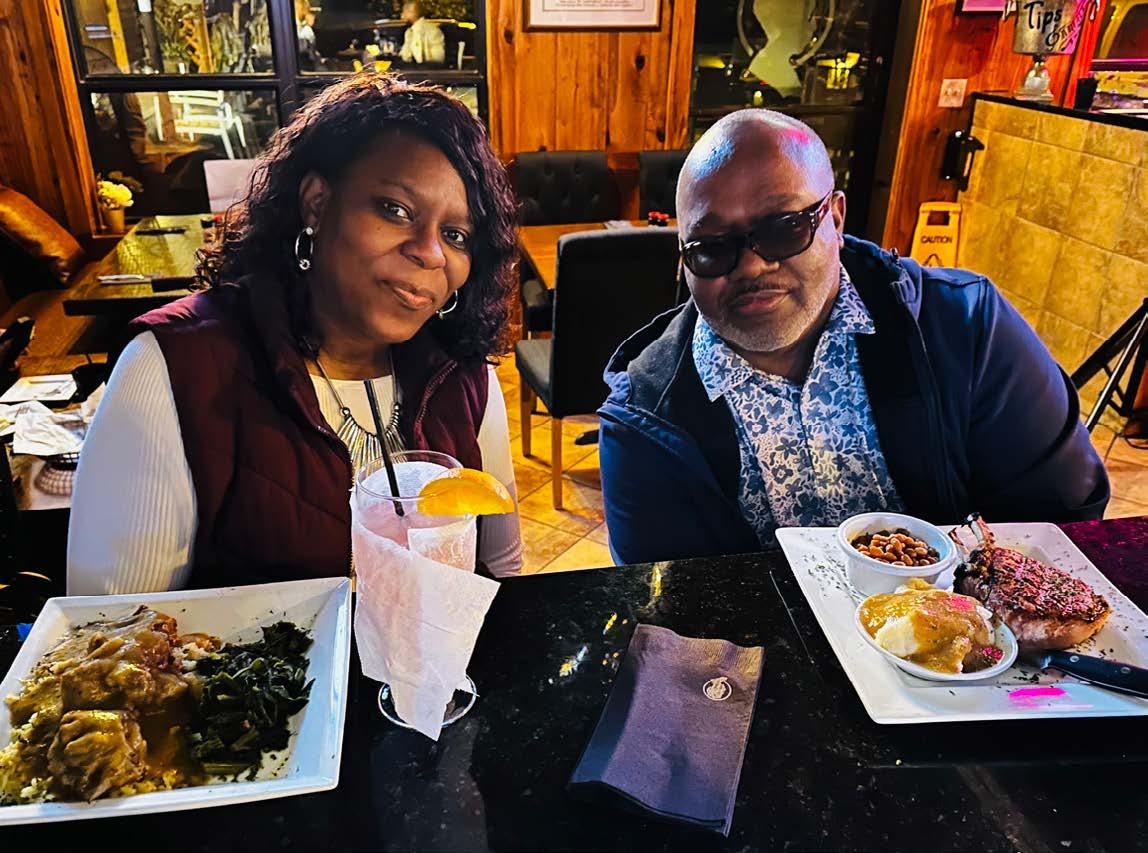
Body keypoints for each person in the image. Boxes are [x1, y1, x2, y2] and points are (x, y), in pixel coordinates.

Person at [68, 74, 523, 593]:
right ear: (317, 202)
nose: (430, 252)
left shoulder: (463, 372)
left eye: (456, 235)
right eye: (395, 209)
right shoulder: (172, 366)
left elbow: (502, 571)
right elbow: (110, 623)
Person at [599, 109, 1108, 565]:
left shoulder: (966, 329)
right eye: (712, 246)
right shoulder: (644, 421)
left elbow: (1062, 521)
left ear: (836, 218)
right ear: (685, 261)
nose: (752, 266)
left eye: (784, 227)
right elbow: (673, 604)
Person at [399, 0, 445, 65]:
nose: (402, 16)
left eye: (404, 12)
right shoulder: (409, 32)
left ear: (412, 12)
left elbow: (438, 59)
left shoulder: (431, 31)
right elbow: (405, 56)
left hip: (427, 70)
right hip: (412, 69)